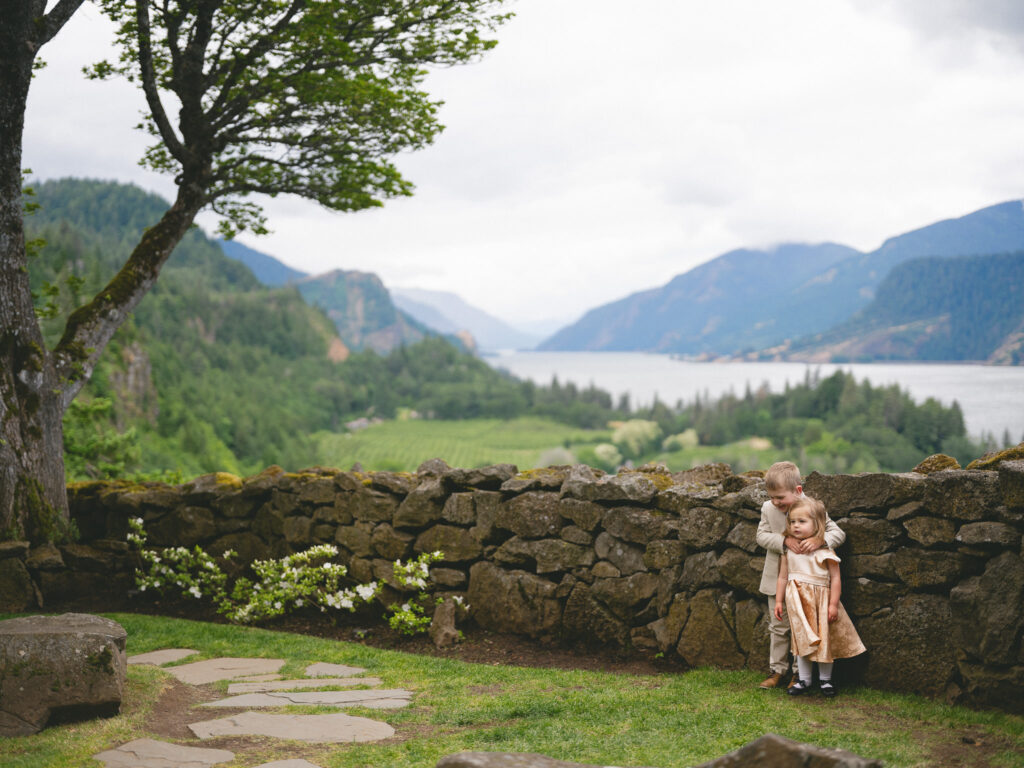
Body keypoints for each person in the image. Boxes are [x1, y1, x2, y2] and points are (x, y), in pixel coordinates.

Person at [755, 460, 845, 689]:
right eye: (772, 497)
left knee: (801, 627)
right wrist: (783, 541)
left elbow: (838, 533)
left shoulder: (813, 508)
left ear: (797, 490)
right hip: (778, 580)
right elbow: (761, 536)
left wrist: (820, 540)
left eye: (780, 498)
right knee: (778, 627)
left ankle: (799, 675)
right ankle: (777, 671)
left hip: (807, 581)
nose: (776, 502)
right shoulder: (768, 509)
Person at [774, 497, 866, 696]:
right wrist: (779, 601)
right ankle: (804, 680)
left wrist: (833, 605)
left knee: (824, 640)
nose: (796, 526)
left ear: (817, 524)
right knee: (801, 640)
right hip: (797, 604)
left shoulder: (825, 549)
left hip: (821, 603)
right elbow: (782, 576)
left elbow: (835, 579)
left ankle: (826, 680)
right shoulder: (788, 550)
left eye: (802, 521)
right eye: (792, 522)